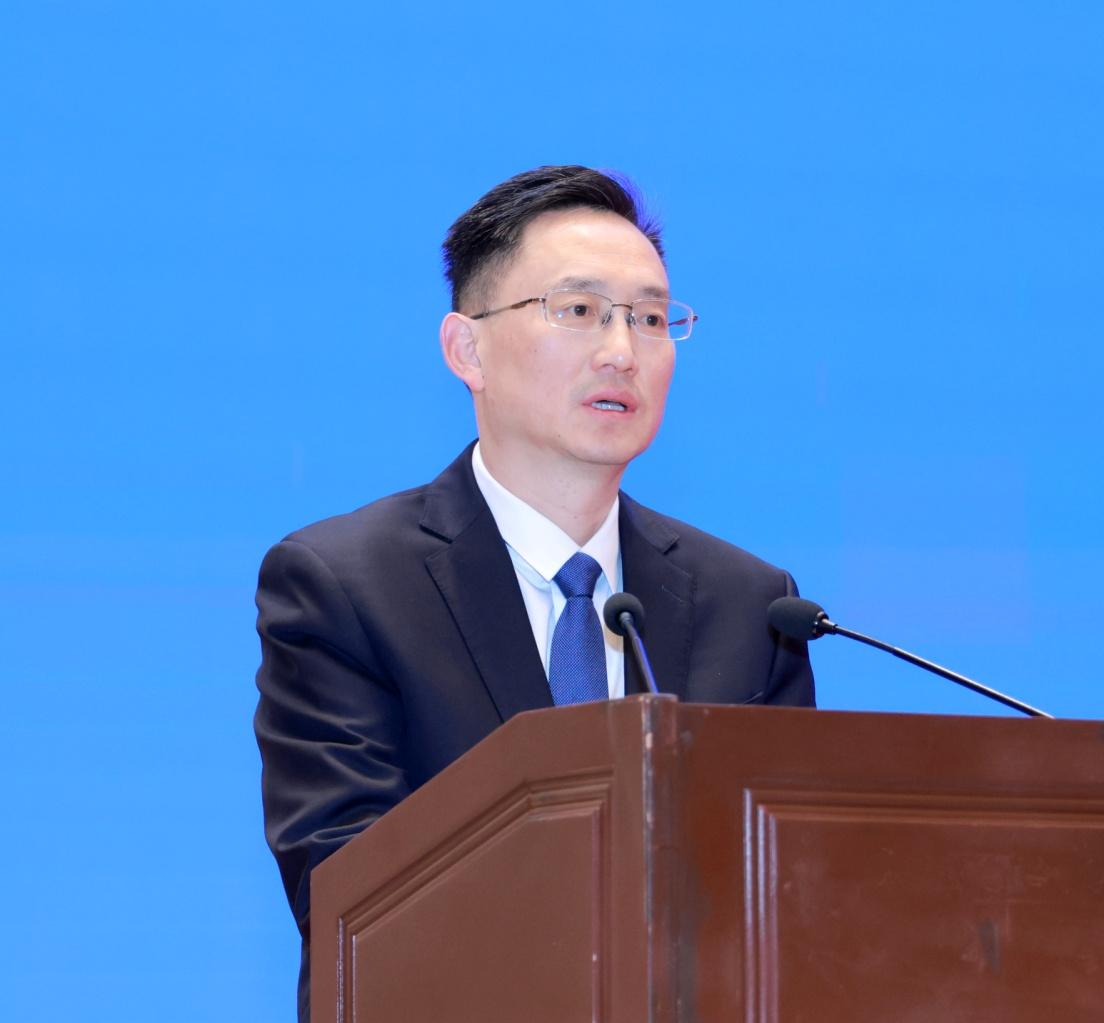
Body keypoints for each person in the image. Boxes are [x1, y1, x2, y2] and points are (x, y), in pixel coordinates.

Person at [253, 165, 816, 1020]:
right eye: (578, 310)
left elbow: (785, 895)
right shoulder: (344, 586)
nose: (621, 350)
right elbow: (354, 892)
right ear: (466, 349)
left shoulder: (753, 605)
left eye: (650, 318)